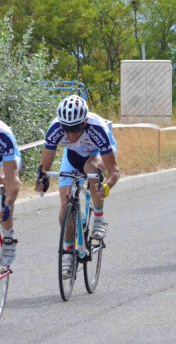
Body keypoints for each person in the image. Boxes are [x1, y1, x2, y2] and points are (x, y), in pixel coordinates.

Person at [36, 95, 120, 277]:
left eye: (75, 129)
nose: (70, 134)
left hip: (98, 153)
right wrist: (42, 180)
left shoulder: (97, 128)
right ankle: (68, 252)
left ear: (84, 122)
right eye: (66, 129)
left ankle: (99, 217)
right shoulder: (55, 129)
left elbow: (114, 172)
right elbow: (44, 167)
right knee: (65, 203)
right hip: (73, 155)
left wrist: (106, 187)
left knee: (90, 168)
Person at [0, 121, 21, 268]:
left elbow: (13, 182)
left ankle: (8, 237)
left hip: (5, 160)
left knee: (3, 180)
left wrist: (6, 204)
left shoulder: (3, 135)